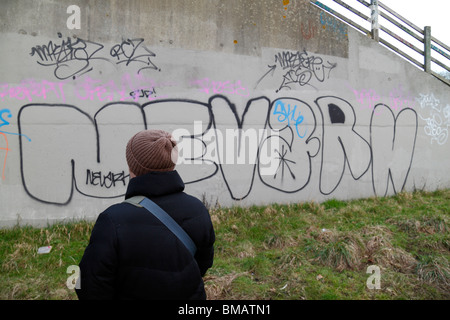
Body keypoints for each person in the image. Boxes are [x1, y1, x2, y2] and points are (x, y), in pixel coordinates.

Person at [76, 129, 215, 300]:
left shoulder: (112, 221)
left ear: (131, 165)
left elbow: (90, 285)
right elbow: (203, 263)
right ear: (172, 164)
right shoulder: (198, 210)